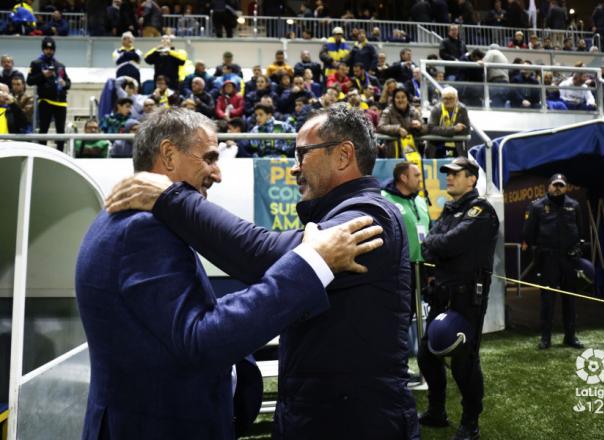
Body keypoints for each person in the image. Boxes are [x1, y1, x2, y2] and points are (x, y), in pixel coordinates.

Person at [104, 105, 421, 440]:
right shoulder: (347, 212)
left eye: (302, 154)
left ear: (343, 155)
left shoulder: (372, 217)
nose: (295, 168)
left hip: (356, 424)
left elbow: (264, 256)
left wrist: (172, 198)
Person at [418, 157, 499, 440]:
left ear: (471, 179)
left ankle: (470, 422)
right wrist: (436, 245)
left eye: (455, 174)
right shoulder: (450, 210)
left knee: (465, 363)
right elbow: (430, 247)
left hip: (467, 300)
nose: (448, 178)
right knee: (427, 355)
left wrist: (435, 244)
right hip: (441, 295)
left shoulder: (482, 210)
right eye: (447, 174)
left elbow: (448, 243)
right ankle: (437, 412)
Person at [522, 173, 585, 350]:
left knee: (570, 300)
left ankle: (570, 337)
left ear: (566, 187)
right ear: (548, 186)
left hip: (568, 259)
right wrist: (539, 252)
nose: (558, 188)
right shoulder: (537, 206)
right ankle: (545, 338)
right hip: (548, 259)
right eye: (555, 185)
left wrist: (576, 250)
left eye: (561, 185)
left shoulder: (574, 205)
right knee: (547, 300)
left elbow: (581, 231)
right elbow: (528, 234)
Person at [381, 161, 430, 324]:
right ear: (403, 177)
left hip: (420, 268)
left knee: (409, 317)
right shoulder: (383, 199)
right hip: (396, 270)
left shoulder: (420, 201)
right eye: (416, 175)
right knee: (394, 318)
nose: (420, 179)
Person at [27, 36, 70, 151]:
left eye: (51, 49)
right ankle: (42, 154)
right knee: (43, 129)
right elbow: (29, 81)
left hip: (61, 103)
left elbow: (69, 83)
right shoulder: (36, 63)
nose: (49, 51)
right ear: (43, 49)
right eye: (46, 49)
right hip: (45, 101)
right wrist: (43, 75)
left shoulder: (60, 65)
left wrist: (64, 83)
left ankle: (61, 155)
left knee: (60, 131)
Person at [377, 87, 425, 158]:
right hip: (393, 153)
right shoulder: (387, 112)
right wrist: (397, 129)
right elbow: (380, 127)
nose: (400, 100)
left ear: (407, 99)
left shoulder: (415, 112)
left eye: (403, 97)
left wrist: (420, 126)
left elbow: (425, 128)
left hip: (412, 153)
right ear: (394, 100)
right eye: (397, 97)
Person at [427, 86, 470, 158]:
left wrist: (442, 131)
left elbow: (466, 130)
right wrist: (454, 129)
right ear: (441, 99)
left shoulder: (462, 109)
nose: (448, 101)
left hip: (457, 149)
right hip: (437, 148)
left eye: (451, 98)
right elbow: (431, 129)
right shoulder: (436, 109)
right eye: (445, 98)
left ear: (457, 99)